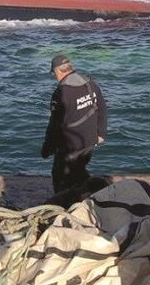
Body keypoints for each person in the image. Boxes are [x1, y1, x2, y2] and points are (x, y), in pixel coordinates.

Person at [41, 54, 107, 194]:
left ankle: (64, 205)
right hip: (90, 140)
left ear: (58, 71)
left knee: (60, 176)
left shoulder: (61, 92)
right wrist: (101, 133)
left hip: (70, 146)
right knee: (79, 169)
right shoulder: (90, 83)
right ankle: (88, 197)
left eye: (54, 74)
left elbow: (54, 125)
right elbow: (102, 108)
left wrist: (47, 148)